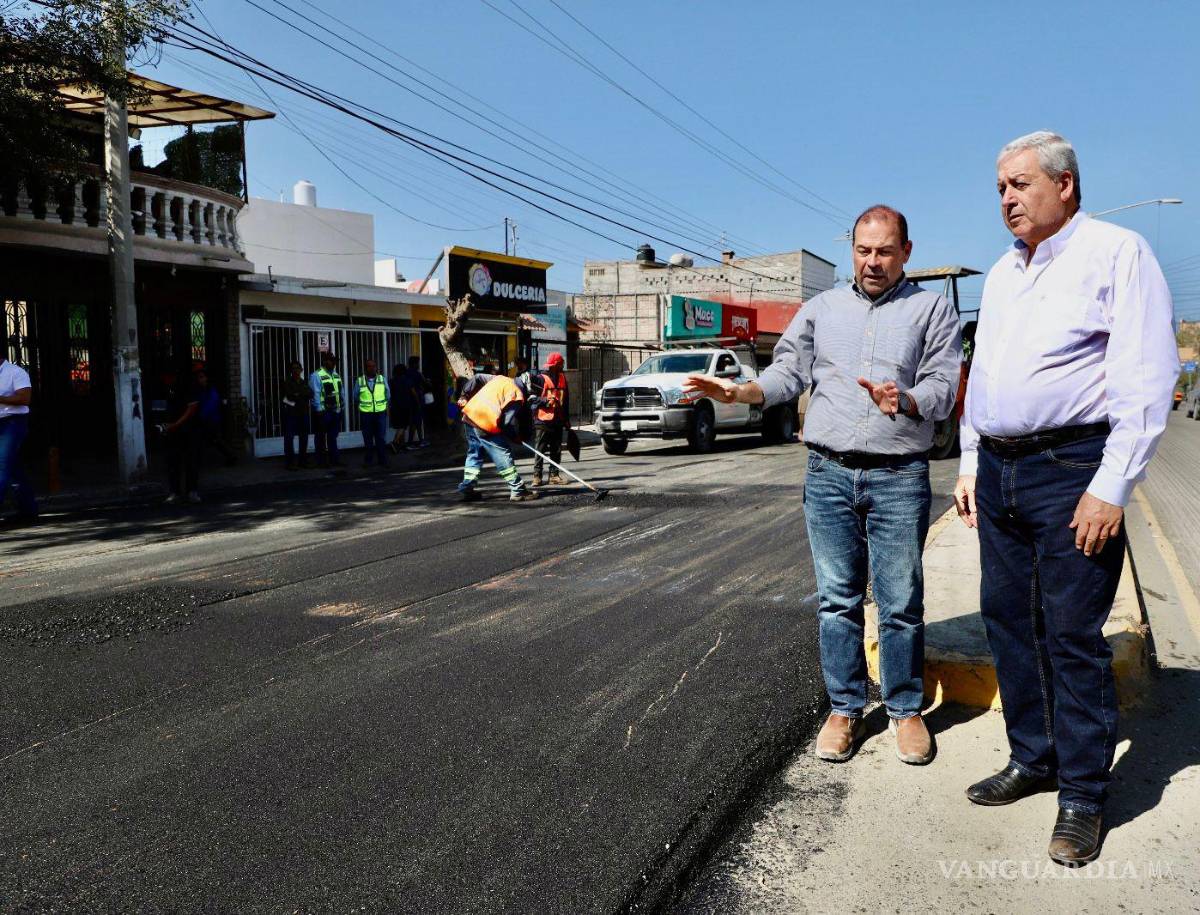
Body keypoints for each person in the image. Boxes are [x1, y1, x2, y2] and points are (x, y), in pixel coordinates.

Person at [952, 132, 1178, 866]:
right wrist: (969, 462)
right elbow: (982, 380)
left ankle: (1082, 793)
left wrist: (1110, 486)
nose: (1007, 199)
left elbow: (1145, 381)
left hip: (1071, 468)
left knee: (1072, 634)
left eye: (1019, 184)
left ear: (1066, 185)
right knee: (1010, 622)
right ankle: (1035, 756)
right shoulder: (1001, 274)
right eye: (1000, 189)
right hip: (1002, 471)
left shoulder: (1118, 254)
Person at [684, 205, 961, 767]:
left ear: (907, 252)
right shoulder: (821, 309)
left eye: (885, 251)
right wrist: (739, 393)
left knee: (900, 601)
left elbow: (943, 387)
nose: (873, 262)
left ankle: (906, 710)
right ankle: (845, 708)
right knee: (837, 601)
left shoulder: (932, 311)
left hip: (899, 475)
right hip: (828, 473)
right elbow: (788, 373)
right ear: (851, 250)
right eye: (863, 250)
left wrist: (905, 400)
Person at [457, 370, 538, 503]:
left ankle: (467, 488)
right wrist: (514, 437)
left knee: (474, 454)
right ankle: (518, 490)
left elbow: (477, 377)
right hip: (485, 423)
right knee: (503, 454)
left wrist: (464, 395)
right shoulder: (517, 395)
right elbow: (506, 423)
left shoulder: (500, 378)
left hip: (469, 417)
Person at [0, 351, 38, 523]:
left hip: (13, 423)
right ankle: (28, 509)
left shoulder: (15, 372)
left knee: (2, 465)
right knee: (13, 467)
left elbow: (24, 398)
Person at [158, 367, 204, 504]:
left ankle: (192, 491)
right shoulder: (164, 388)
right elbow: (159, 408)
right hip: (172, 432)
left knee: (191, 461)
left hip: (189, 430)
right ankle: (174, 492)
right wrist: (163, 425)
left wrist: (176, 424)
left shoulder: (187, 387)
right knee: (173, 462)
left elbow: (192, 408)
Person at [530, 352, 571, 487]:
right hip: (543, 420)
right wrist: (546, 400)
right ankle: (537, 477)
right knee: (540, 449)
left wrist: (566, 419)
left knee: (556, 449)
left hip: (558, 419)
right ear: (555, 365)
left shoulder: (562, 378)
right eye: (561, 364)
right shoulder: (539, 379)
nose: (563, 365)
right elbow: (531, 399)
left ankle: (554, 475)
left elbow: (566, 401)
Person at [354, 358, 391, 469]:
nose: (372, 368)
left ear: (376, 367)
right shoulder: (360, 381)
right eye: (369, 366)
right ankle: (368, 461)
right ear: (365, 369)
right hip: (366, 414)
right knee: (368, 438)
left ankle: (382, 460)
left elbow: (388, 395)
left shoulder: (382, 379)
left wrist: (385, 407)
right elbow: (355, 396)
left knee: (380, 437)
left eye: (373, 366)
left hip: (380, 413)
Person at [309, 353, 343, 468]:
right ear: (324, 361)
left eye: (334, 361)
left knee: (333, 437)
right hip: (323, 412)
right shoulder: (316, 375)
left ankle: (334, 460)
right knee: (320, 438)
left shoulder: (336, 375)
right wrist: (318, 409)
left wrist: (340, 407)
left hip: (335, 411)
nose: (333, 363)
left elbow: (340, 392)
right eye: (330, 361)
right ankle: (321, 461)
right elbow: (315, 394)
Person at [281, 360, 312, 470]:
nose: (296, 370)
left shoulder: (303, 382)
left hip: (303, 413)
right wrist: (300, 395)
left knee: (304, 437)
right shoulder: (287, 382)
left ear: (301, 370)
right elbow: (289, 396)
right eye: (294, 368)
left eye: (298, 368)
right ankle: (290, 463)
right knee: (289, 438)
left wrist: (298, 394)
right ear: (291, 370)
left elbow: (310, 394)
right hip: (291, 414)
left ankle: (302, 461)